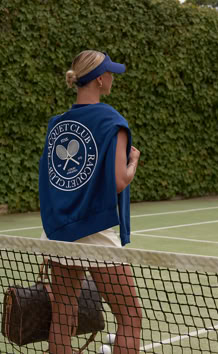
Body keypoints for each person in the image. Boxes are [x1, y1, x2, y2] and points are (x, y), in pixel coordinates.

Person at [39, 50, 142, 354]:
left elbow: (51, 178)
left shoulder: (56, 124)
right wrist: (133, 161)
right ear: (99, 79)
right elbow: (119, 181)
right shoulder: (111, 120)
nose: (112, 77)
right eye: (109, 73)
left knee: (62, 316)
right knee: (130, 316)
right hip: (95, 232)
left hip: (58, 231)